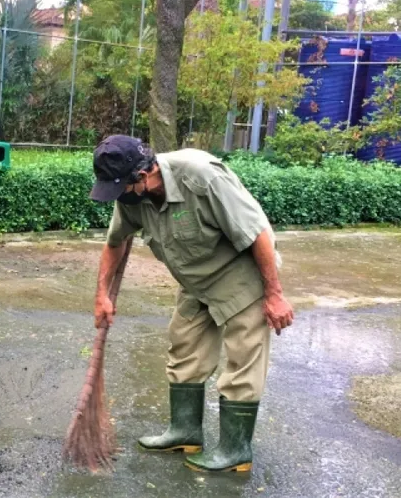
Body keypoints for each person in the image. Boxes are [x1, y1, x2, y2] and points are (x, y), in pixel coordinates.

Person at [89, 135, 293, 473]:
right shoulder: (130, 195)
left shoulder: (201, 176)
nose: (118, 197)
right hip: (195, 280)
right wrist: (102, 295)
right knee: (184, 348)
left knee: (243, 360)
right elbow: (115, 242)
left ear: (143, 175)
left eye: (121, 188)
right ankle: (185, 432)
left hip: (240, 276)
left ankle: (235, 451)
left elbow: (257, 233)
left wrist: (274, 294)